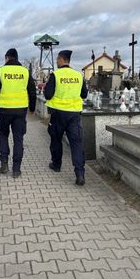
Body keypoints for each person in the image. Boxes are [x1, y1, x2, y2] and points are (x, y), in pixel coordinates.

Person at [0, 48, 36, 178]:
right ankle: (16, 169)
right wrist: (32, 108)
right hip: (21, 111)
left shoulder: (1, 71)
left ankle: (4, 163)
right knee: (18, 138)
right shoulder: (25, 72)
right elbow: (32, 91)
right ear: (16, 58)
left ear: (7, 58)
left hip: (4, 110)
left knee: (3, 135)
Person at [44, 50, 88, 185]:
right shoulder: (79, 75)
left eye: (57, 59)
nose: (56, 61)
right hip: (74, 114)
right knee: (76, 143)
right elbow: (84, 94)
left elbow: (48, 95)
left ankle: (56, 165)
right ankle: (80, 173)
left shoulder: (55, 75)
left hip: (58, 114)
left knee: (56, 140)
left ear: (62, 60)